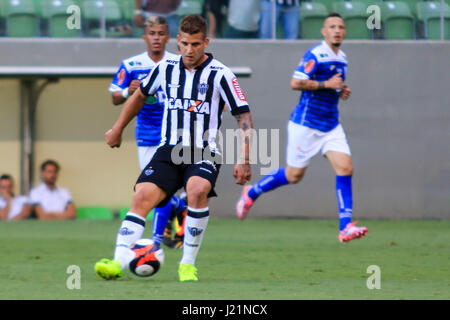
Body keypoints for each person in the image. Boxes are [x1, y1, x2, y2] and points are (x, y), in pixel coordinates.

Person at [95, 14, 253, 282]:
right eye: (184, 44)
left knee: (197, 190)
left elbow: (244, 117)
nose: (189, 50)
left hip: (203, 151)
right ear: (177, 41)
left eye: (195, 44)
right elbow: (139, 96)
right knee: (141, 196)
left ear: (206, 42)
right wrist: (118, 128)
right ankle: (118, 262)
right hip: (168, 150)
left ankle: (187, 264)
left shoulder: (222, 74)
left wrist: (245, 159)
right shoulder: (164, 68)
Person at [236, 13, 368, 243]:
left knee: (346, 168)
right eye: (332, 27)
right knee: (293, 175)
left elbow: (332, 87)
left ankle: (345, 227)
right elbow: (295, 82)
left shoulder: (343, 57)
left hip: (330, 125)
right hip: (305, 125)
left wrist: (340, 90)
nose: (337, 30)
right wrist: (328, 84)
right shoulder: (315, 54)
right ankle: (252, 192)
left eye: (341, 27)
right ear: (324, 32)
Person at [109, 15, 187, 249]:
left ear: (168, 37)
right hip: (146, 134)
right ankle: (177, 208)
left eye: (161, 34)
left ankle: (155, 241)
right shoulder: (132, 65)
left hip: (174, 133)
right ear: (145, 37)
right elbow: (114, 96)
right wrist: (127, 92)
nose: (156, 38)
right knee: (154, 190)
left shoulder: (178, 62)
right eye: (152, 34)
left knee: (158, 186)